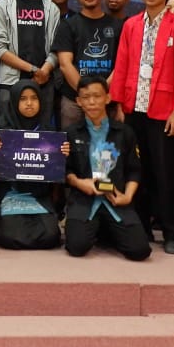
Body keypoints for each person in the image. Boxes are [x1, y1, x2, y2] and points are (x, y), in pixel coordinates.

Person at [109, 0, 174, 254]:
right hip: (134, 108)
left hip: (164, 110)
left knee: (166, 173)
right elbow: (121, 65)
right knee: (137, 171)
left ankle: (172, 233)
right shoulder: (132, 25)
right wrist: (119, 103)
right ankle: (140, 227)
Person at [63, 75, 150, 261]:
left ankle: (106, 229)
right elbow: (66, 171)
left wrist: (127, 196)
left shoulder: (125, 132)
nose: (92, 102)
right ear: (78, 101)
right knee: (76, 247)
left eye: (97, 96)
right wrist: (79, 183)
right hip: (84, 201)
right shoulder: (71, 133)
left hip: (116, 199)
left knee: (140, 250)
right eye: (86, 97)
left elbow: (135, 169)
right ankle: (100, 229)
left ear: (107, 98)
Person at [0, 80, 62, 250]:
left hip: (38, 195)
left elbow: (54, 172)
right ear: (14, 101)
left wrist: (61, 154)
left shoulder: (47, 129)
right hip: (9, 192)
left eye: (34, 98)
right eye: (23, 99)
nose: (29, 103)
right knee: (11, 236)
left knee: (50, 236)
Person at [0, 0, 61, 120]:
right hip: (10, 82)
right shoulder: (2, 7)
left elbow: (56, 48)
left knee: (41, 136)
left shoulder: (51, 9)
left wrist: (44, 70)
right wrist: (33, 69)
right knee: (8, 132)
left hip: (43, 83)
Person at [54, 0, 122, 130]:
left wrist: (101, 95)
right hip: (74, 99)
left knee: (106, 150)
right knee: (71, 149)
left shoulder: (118, 26)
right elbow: (65, 64)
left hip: (108, 100)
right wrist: (87, 96)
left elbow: (122, 65)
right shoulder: (68, 25)